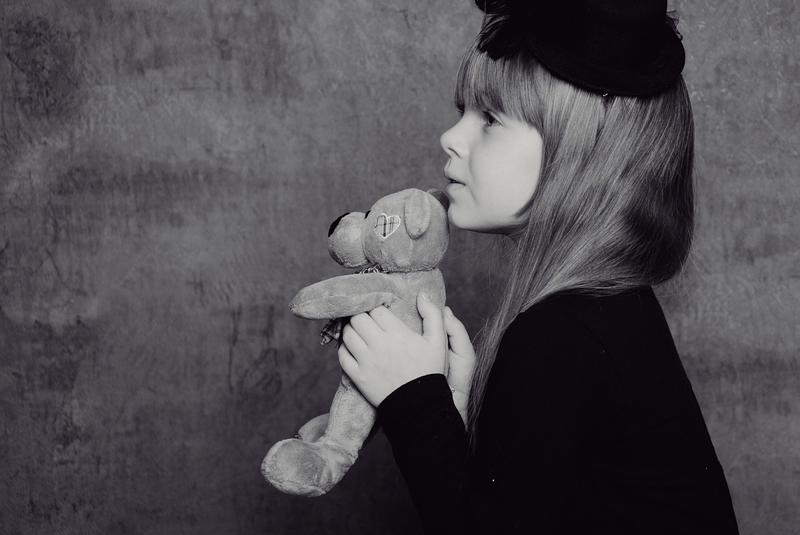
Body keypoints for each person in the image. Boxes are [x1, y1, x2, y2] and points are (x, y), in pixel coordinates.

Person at [337, 0, 740, 533]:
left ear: (582, 153)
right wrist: (456, 412)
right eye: (464, 111)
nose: (451, 138)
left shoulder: (560, 337)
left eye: (490, 119)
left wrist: (412, 399)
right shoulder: (605, 311)